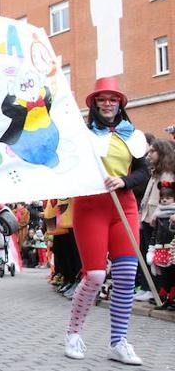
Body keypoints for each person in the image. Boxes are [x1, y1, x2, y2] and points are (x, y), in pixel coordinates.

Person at [64, 77, 149, 365]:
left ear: (120, 104)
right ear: (94, 104)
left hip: (124, 206)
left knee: (126, 276)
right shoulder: (82, 135)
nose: (108, 103)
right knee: (96, 275)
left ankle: (119, 342)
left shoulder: (133, 136)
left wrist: (123, 180)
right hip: (91, 207)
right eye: (102, 99)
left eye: (113, 99)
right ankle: (74, 333)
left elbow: (143, 173)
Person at [136, 139, 175, 301]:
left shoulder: (167, 174)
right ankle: (147, 287)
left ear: (162, 152)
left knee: (158, 256)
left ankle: (157, 289)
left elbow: (166, 198)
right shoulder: (155, 172)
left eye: (153, 151)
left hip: (160, 220)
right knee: (148, 254)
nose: (149, 154)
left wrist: (157, 215)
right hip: (148, 217)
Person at [146, 181, 175, 310]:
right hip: (160, 248)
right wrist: (152, 247)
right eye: (162, 198)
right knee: (164, 274)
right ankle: (164, 297)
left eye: (168, 198)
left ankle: (172, 298)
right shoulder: (157, 215)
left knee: (173, 273)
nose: (164, 201)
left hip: (172, 248)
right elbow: (155, 233)